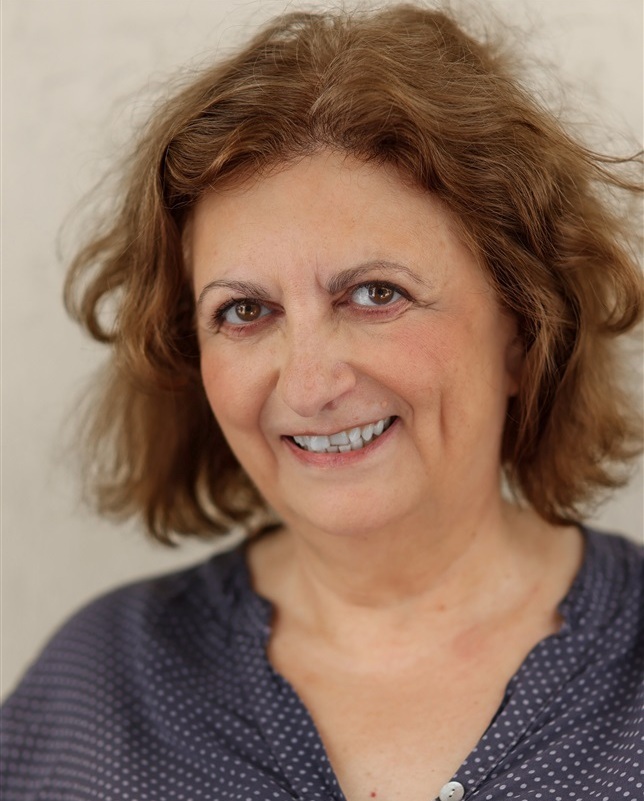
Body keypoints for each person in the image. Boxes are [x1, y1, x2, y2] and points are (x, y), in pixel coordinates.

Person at [1, 4, 642, 800]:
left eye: (376, 293)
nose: (308, 385)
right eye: (244, 310)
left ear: (523, 331)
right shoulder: (96, 693)